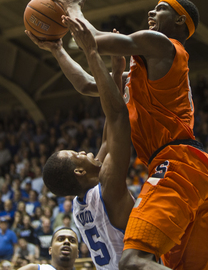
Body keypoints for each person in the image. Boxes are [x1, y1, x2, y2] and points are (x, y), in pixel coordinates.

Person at [26, 0, 208, 269]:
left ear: (180, 21)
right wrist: (60, 49)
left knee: (134, 262)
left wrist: (73, 10)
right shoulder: (142, 75)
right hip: (193, 166)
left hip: (179, 161)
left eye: (160, 9)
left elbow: (94, 43)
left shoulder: (162, 45)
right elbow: (87, 85)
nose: (151, 13)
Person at [40, 23, 143, 270]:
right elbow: (118, 120)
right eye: (78, 155)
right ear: (79, 172)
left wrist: (117, 74)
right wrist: (92, 52)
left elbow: (108, 139)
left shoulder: (81, 203)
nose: (85, 152)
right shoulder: (107, 187)